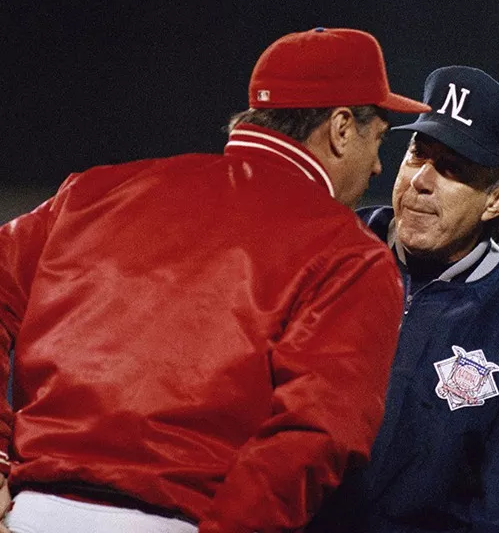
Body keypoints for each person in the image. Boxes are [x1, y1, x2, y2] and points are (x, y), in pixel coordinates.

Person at [0, 27, 430, 532]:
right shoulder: (350, 255)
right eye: (378, 137)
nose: (380, 165)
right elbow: (315, 436)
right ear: (340, 128)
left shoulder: (93, 193)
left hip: (28, 511)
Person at [309, 65, 499, 532]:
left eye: (451, 169)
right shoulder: (331, 247)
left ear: (497, 199)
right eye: (417, 154)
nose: (421, 181)